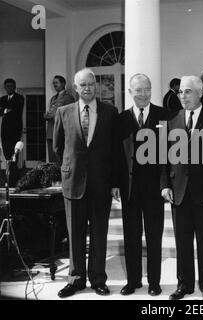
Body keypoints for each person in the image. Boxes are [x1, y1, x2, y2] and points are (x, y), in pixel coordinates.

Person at [53, 68, 121, 298]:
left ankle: (98, 279)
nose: (88, 88)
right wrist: (70, 169)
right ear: (75, 87)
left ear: (96, 85)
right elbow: (58, 148)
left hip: (101, 184)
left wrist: (114, 182)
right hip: (73, 183)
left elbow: (115, 151)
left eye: (91, 84)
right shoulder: (63, 112)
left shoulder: (110, 112)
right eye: (83, 85)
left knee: (99, 233)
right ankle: (75, 279)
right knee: (75, 234)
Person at [161, 75, 203, 300]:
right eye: (180, 92)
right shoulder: (172, 120)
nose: (183, 96)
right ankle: (184, 284)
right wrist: (164, 186)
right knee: (182, 241)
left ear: (199, 93)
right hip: (178, 192)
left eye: (188, 91)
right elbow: (163, 158)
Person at [118, 74, 165, 296]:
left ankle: (154, 282)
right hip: (129, 189)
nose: (144, 94)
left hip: (155, 188)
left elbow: (168, 155)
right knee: (131, 236)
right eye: (139, 90)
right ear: (130, 92)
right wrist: (115, 184)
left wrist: (166, 185)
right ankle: (133, 281)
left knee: (154, 236)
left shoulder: (164, 115)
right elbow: (115, 156)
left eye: (147, 89)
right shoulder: (121, 119)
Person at [44, 75, 75, 163]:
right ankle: (54, 176)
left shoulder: (68, 97)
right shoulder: (53, 98)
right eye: (54, 83)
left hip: (60, 132)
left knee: (61, 159)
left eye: (56, 83)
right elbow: (50, 112)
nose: (55, 85)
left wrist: (53, 115)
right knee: (52, 159)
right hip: (50, 132)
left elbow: (69, 114)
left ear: (63, 83)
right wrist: (48, 115)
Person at [0, 78, 24, 187]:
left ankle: (14, 182)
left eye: (11, 86)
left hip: (14, 133)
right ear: (5, 87)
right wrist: (5, 110)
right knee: (7, 157)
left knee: (14, 158)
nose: (9, 88)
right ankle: (10, 180)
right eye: (7, 86)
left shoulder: (19, 98)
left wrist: (4, 110)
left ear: (15, 87)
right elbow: (3, 111)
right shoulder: (2, 99)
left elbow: (15, 110)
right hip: (5, 134)